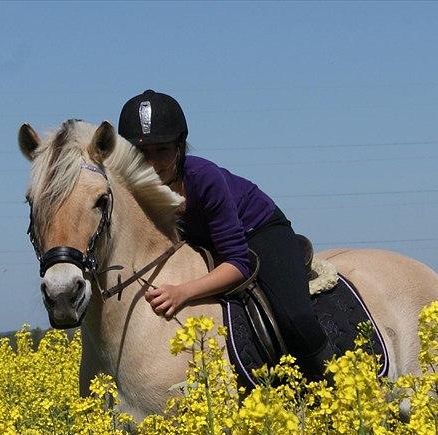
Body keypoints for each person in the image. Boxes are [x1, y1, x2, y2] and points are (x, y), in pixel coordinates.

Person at [117, 89, 336, 381]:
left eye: (162, 151)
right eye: (140, 154)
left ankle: (331, 389)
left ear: (180, 147)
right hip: (201, 240)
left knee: (295, 317)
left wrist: (181, 292)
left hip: (257, 230)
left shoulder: (204, 178)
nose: (152, 165)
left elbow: (238, 263)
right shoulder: (128, 189)